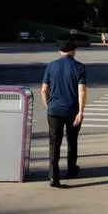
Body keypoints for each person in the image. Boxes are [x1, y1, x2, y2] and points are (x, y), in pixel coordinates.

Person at [41, 39, 86, 188]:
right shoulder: (79, 67)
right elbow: (82, 91)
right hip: (72, 110)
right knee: (72, 140)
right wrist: (81, 111)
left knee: (54, 143)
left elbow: (44, 90)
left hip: (54, 110)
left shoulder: (51, 66)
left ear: (60, 51)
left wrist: (48, 106)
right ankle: (71, 170)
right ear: (73, 51)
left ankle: (54, 176)